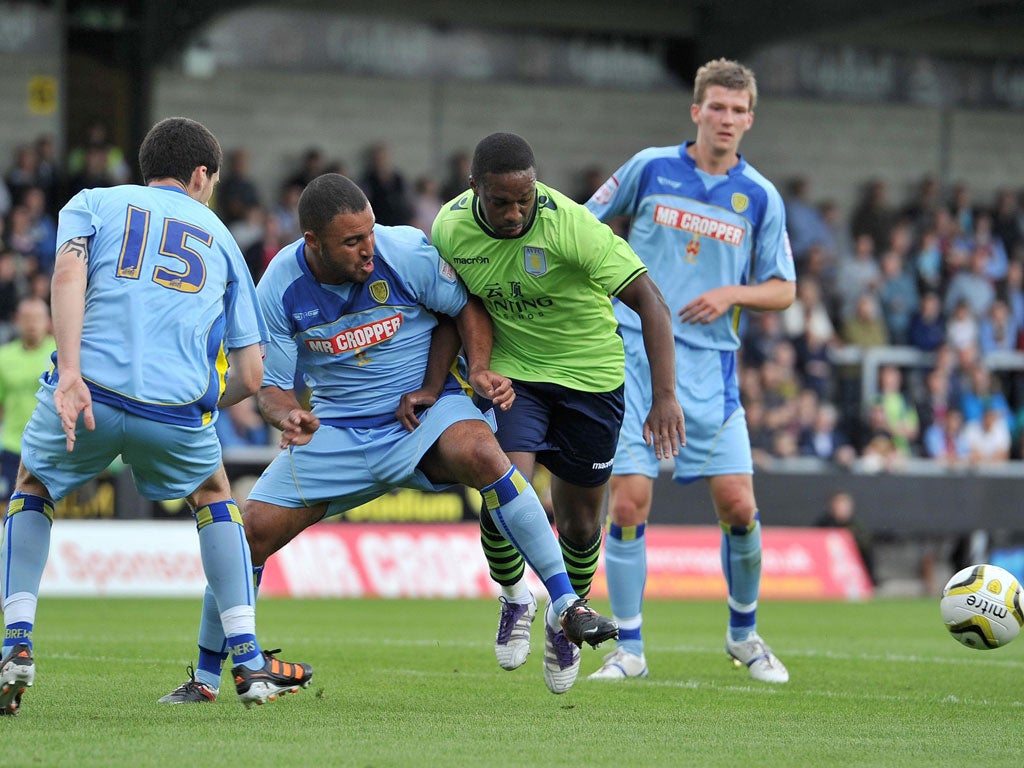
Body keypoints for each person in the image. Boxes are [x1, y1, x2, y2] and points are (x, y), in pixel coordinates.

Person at [160, 173, 617, 702]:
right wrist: (289, 416)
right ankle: (205, 680)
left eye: (369, 233)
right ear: (312, 242)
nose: (367, 251)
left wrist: (472, 371)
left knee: (483, 453)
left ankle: (565, 605)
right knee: (247, 536)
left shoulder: (404, 251)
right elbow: (272, 388)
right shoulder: (280, 287)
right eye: (351, 242)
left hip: (422, 418)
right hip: (336, 433)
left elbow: (464, 308)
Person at [0, 117, 312, 716]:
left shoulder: (92, 201)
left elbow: (67, 275)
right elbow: (251, 376)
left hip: (88, 391)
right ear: (201, 175)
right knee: (214, 494)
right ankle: (246, 659)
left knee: (33, 486)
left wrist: (69, 371)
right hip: (173, 410)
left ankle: (16, 642)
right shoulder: (221, 238)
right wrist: (198, 406)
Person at [431, 133, 684, 692]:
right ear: (476, 188)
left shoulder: (571, 226)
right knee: (506, 490)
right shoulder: (449, 229)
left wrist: (664, 395)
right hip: (515, 377)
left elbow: (651, 301)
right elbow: (453, 307)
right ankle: (515, 596)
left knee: (580, 524)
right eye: (501, 202)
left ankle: (566, 621)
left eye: (524, 199)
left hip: (591, 379)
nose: (515, 212)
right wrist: (451, 376)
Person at [584, 58, 795, 682]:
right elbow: (580, 224)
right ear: (696, 110)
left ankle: (745, 635)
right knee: (628, 502)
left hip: (712, 371)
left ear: (749, 119)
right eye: (717, 107)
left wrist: (732, 295)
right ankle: (628, 650)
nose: (726, 119)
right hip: (635, 359)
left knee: (738, 504)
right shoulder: (649, 167)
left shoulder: (759, 197)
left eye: (738, 110)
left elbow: (783, 288)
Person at [0, 298, 56, 503]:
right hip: (14, 445)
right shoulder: (4, 357)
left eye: (37, 318)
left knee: (47, 503)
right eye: (27, 318)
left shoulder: (59, 354)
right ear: (17, 321)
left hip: (49, 444)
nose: (32, 324)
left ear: (48, 321)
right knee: (11, 504)